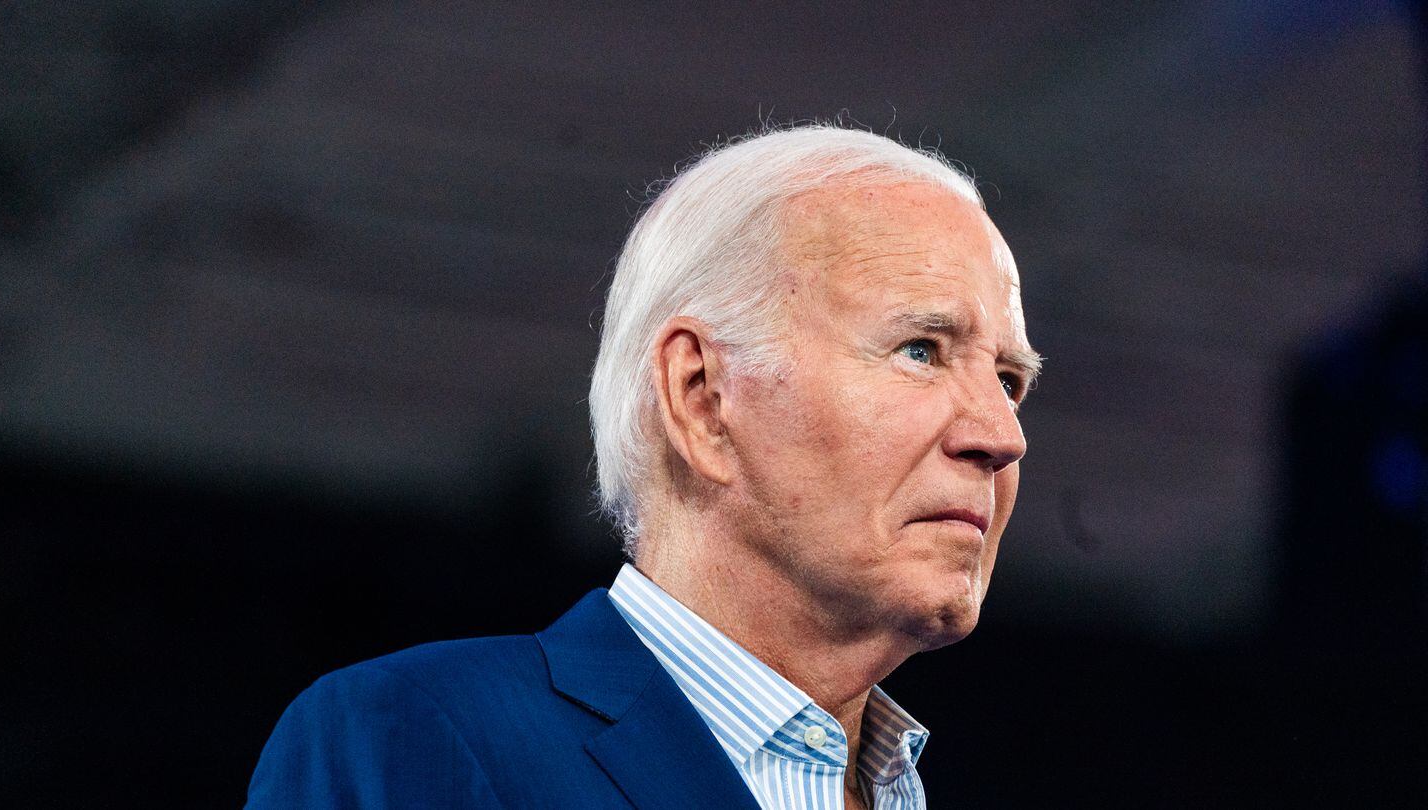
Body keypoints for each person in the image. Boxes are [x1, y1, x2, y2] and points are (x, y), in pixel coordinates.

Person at [246, 124, 1040, 809]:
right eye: (920, 351)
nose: (1002, 436)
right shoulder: (421, 738)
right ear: (701, 397)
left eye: (1009, 381)